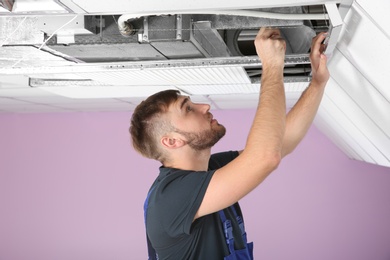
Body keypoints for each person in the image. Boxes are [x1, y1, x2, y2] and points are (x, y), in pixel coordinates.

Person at [129, 27, 330, 260]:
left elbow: (279, 144)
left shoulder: (208, 169)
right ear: (172, 141)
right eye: (188, 109)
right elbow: (266, 157)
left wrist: (318, 82)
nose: (205, 107)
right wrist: (272, 66)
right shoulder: (171, 196)